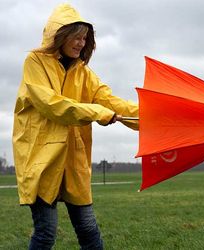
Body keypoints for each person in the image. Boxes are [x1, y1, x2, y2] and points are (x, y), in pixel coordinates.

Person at [12, 3, 139, 249]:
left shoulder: (84, 72)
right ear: (58, 35)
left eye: (85, 38)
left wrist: (153, 114)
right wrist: (98, 113)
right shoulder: (34, 62)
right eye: (76, 37)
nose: (81, 43)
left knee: (89, 230)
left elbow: (111, 102)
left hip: (73, 159)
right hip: (41, 159)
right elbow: (53, 105)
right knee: (46, 233)